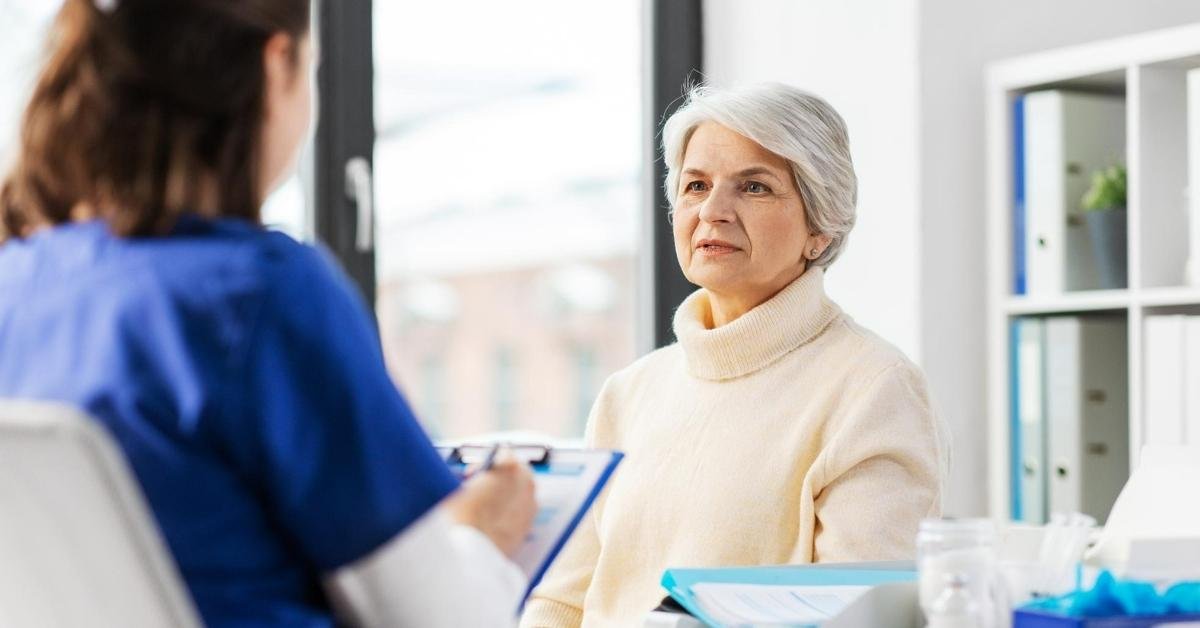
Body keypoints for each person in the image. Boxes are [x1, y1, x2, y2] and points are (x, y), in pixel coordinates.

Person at [0, 1, 535, 626]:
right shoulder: (263, 297)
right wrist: (482, 533)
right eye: (312, 66)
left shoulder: (19, 282)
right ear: (277, 61)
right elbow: (442, 619)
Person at [519, 83, 952, 627]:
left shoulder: (874, 388)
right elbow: (562, 600)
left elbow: (864, 618)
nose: (713, 212)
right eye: (696, 185)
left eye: (754, 187)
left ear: (820, 228)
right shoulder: (629, 393)